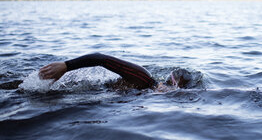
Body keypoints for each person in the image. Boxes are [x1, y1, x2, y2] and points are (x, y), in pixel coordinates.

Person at [39, 53, 191, 90]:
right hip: (67, 88)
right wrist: (65, 66)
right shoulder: (144, 78)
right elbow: (101, 59)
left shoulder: (147, 92)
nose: (168, 91)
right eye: (171, 87)